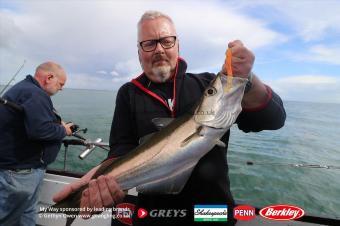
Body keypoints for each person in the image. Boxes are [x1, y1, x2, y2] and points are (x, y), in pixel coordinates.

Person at [53, 11, 286, 226]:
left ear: (177, 45)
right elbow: (120, 151)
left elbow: (273, 120)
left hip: (211, 211)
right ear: (139, 52)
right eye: (149, 43)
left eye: (166, 41)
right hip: (153, 215)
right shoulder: (129, 93)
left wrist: (248, 78)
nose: (159, 50)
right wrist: (90, 182)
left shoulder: (207, 84)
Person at [0, 61, 74, 226]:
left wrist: (57, 122)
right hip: (20, 173)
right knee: (6, 219)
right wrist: (64, 131)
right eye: (60, 84)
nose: (61, 88)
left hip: (23, 169)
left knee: (27, 212)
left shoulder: (25, 89)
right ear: (49, 77)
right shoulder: (35, 94)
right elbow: (40, 131)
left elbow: (34, 120)